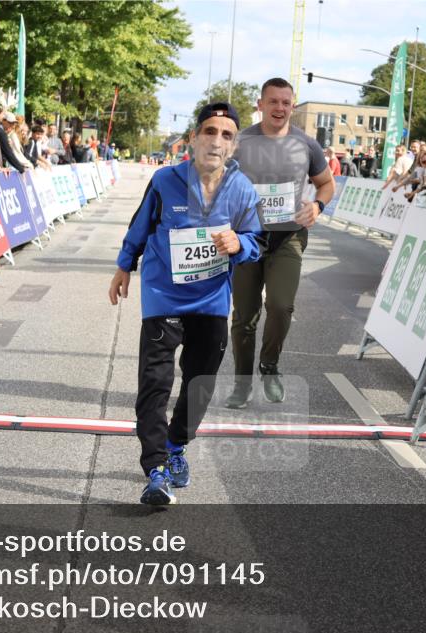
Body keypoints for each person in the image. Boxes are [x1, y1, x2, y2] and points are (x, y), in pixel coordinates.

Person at [109, 102, 265, 505]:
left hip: (212, 301)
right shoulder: (164, 180)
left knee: (200, 386)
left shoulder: (242, 189)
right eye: (209, 131)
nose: (216, 140)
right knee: (155, 384)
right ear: (193, 138)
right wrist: (124, 266)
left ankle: (177, 445)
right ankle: (156, 469)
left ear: (234, 146)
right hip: (163, 296)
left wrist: (240, 243)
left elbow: (257, 241)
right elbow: (140, 224)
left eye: (227, 135)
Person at [226, 77, 335, 408]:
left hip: (288, 237)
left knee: (280, 306)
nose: (280, 108)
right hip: (247, 239)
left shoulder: (307, 145)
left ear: (293, 106)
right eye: (273, 102)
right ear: (260, 104)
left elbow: (326, 184)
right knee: (244, 316)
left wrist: (317, 205)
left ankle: (269, 365)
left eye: (286, 103)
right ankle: (242, 383)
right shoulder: (240, 141)